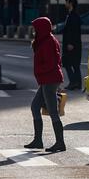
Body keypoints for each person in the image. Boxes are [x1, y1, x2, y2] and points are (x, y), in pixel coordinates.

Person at [24, 17, 66, 153]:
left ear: (42, 28)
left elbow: (52, 63)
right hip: (46, 79)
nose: (34, 31)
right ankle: (38, 140)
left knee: (53, 111)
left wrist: (39, 71)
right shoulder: (44, 40)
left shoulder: (48, 41)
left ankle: (60, 143)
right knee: (35, 106)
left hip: (50, 79)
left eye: (36, 28)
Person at [62, 0, 82, 91]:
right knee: (74, 65)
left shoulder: (74, 16)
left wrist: (71, 43)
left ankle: (74, 82)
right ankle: (77, 83)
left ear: (70, 3)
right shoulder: (70, 15)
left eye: (66, 2)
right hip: (71, 44)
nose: (65, 4)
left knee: (68, 63)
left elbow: (74, 31)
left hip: (72, 45)